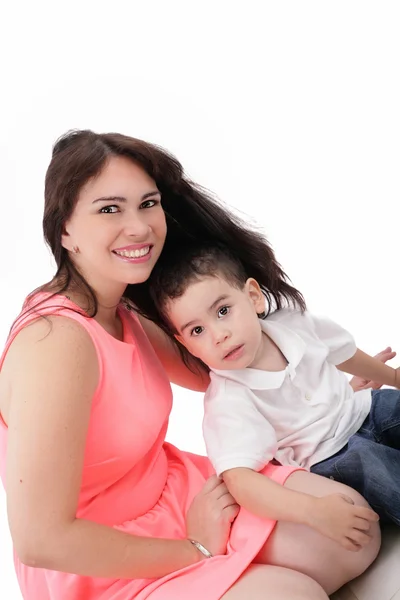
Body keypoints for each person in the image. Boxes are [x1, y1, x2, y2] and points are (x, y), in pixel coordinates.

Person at [0, 130, 381, 600]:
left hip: (178, 494)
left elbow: (229, 367)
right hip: (97, 559)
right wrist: (196, 548)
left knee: (353, 530)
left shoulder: (122, 310)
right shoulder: (55, 343)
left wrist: (324, 389)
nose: (139, 227)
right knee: (291, 593)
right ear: (64, 231)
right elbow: (42, 542)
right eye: (109, 209)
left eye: (148, 203)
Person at [146, 242, 400, 543]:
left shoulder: (292, 323)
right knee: (378, 469)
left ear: (253, 297)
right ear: (185, 344)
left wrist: (393, 377)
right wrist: (313, 510)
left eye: (223, 311)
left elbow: (341, 352)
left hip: (364, 409)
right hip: (333, 456)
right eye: (197, 331)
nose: (219, 335)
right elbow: (240, 479)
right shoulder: (229, 399)